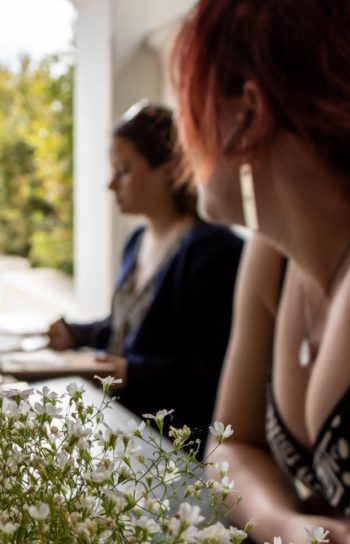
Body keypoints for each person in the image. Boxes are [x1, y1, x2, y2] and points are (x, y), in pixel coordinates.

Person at [171, 0, 350, 544]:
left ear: (249, 113)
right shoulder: (271, 253)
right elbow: (230, 443)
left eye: (192, 101)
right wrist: (287, 531)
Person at [47, 101, 243, 447]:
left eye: (123, 170)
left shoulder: (214, 253)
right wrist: (75, 333)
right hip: (121, 429)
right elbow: (127, 328)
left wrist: (130, 373)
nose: (111, 184)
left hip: (172, 448)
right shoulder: (137, 241)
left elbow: (221, 367)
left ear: (169, 169)